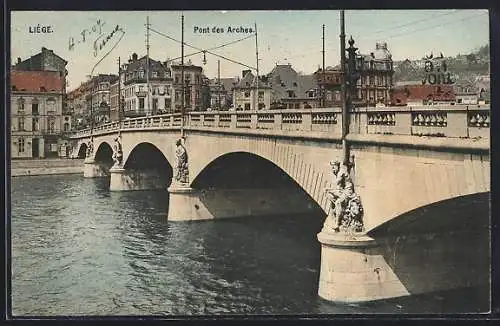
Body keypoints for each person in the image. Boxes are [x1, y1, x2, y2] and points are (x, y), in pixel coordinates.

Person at [324, 160, 354, 232]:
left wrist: (328, 190)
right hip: (342, 191)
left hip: (348, 192)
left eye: (334, 167)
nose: (333, 169)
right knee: (329, 195)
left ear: (337, 166)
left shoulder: (341, 173)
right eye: (332, 167)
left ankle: (337, 223)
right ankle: (333, 215)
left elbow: (337, 188)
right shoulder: (338, 173)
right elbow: (337, 189)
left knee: (338, 202)